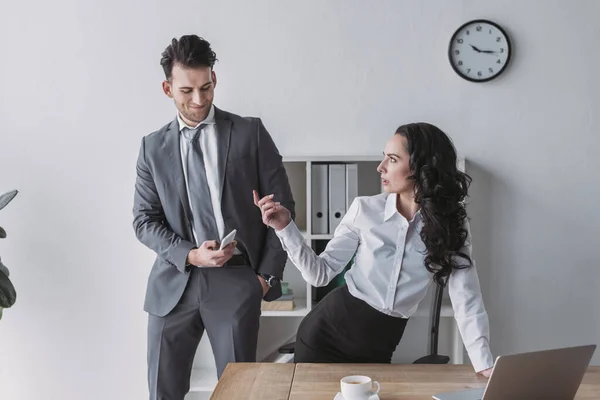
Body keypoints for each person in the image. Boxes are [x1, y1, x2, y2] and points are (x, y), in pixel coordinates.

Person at [253, 122, 494, 377]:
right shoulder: (365, 210)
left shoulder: (451, 225)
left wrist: (485, 364)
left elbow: (466, 298)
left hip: (378, 347)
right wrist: (285, 227)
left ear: (422, 166)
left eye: (392, 159)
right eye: (384, 158)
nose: (381, 167)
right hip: (324, 336)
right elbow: (319, 274)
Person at [133, 34, 295, 400]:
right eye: (187, 90)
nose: (199, 100)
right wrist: (190, 254)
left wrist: (266, 278)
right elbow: (144, 220)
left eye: (206, 87)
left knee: (239, 393)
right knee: (163, 393)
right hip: (173, 283)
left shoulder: (250, 132)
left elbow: (283, 207)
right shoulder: (151, 148)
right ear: (167, 88)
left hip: (237, 278)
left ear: (214, 79)